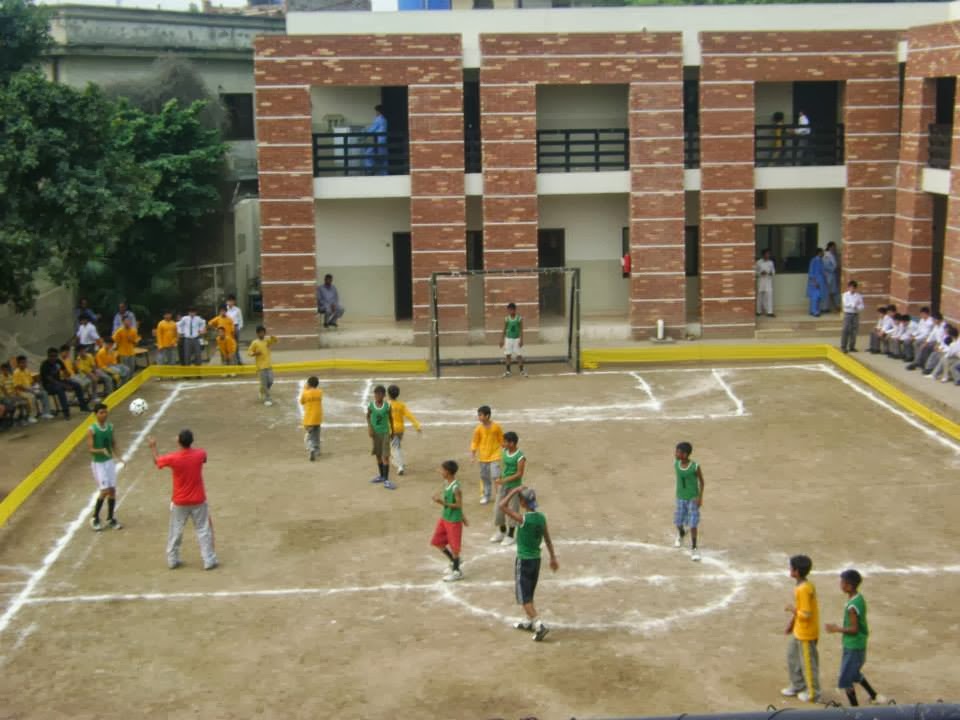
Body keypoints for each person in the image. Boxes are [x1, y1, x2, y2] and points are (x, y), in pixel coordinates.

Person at [148, 430, 218, 571]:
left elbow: (157, 462)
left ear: (179, 441)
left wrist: (153, 447)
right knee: (203, 529)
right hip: (198, 499)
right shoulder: (200, 454)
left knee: (176, 530)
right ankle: (208, 559)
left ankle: (172, 559)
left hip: (180, 501)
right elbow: (203, 459)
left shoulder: (173, 458)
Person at [498, 485, 558, 642]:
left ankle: (539, 625)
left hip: (523, 561)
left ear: (523, 502)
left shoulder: (523, 519)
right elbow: (548, 539)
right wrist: (552, 557)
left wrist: (514, 491)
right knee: (529, 592)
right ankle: (529, 621)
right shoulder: (541, 518)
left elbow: (501, 505)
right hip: (536, 560)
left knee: (524, 598)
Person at [825, 569, 885, 707]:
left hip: (853, 645)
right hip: (857, 644)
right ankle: (874, 696)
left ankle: (855, 708)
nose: (840, 584)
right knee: (854, 673)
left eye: (843, 582)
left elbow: (854, 629)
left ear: (849, 586)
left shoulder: (852, 606)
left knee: (846, 679)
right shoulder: (859, 598)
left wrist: (836, 629)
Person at [782, 554, 821, 703]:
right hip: (799, 630)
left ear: (796, 571)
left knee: (808, 664)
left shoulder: (803, 589)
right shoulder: (803, 586)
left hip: (806, 633)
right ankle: (797, 685)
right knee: (793, 657)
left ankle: (813, 693)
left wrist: (792, 611)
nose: (789, 569)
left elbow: (805, 613)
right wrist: (791, 624)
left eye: (791, 567)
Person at [87, 403, 122, 531]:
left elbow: (113, 443)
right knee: (104, 491)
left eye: (105, 412)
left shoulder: (110, 427)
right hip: (98, 464)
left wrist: (119, 456)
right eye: (101, 412)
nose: (104, 414)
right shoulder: (92, 430)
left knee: (112, 490)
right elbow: (90, 449)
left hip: (109, 462)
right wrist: (101, 450)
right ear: (95, 414)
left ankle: (110, 518)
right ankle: (95, 517)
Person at [431, 459, 467, 582]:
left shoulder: (456, 488)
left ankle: (457, 571)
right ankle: (454, 560)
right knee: (437, 542)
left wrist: (441, 502)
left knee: (455, 547)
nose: (440, 472)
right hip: (445, 518)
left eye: (442, 470)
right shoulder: (447, 482)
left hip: (453, 521)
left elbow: (458, 505)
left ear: (448, 472)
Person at [491, 430, 525, 545]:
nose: (503, 443)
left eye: (505, 442)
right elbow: (504, 467)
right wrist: (500, 479)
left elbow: (519, 474)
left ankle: (510, 535)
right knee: (497, 509)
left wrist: (504, 480)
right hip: (503, 485)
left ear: (512, 443)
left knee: (512, 509)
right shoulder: (504, 451)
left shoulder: (520, 457)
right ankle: (502, 531)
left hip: (514, 487)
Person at [673, 441, 704, 562]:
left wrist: (700, 497)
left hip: (693, 499)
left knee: (692, 524)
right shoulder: (676, 464)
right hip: (680, 498)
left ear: (685, 454)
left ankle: (695, 547)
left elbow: (702, 482)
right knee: (678, 522)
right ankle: (681, 533)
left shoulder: (695, 467)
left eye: (678, 452)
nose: (675, 453)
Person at [40, 347, 89, 419]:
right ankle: (66, 411)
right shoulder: (44, 365)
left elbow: (65, 371)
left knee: (77, 385)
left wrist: (68, 377)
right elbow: (51, 380)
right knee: (60, 390)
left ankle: (83, 406)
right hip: (48, 385)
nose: (53, 358)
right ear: (48, 356)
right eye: (51, 356)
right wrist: (64, 385)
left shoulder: (58, 361)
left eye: (55, 356)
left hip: (59, 381)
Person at [470, 404, 504, 505]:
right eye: (478, 415)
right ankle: (486, 495)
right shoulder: (478, 429)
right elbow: (475, 442)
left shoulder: (496, 427)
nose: (479, 417)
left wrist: (506, 451)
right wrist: (473, 455)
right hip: (483, 457)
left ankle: (500, 496)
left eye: (480, 415)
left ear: (487, 416)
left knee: (496, 476)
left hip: (495, 455)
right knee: (485, 477)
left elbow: (501, 440)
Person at [388, 384, 422, 476]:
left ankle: (400, 466)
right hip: (400, 430)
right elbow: (409, 415)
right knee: (396, 446)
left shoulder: (386, 405)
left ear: (388, 394)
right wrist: (417, 425)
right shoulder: (401, 405)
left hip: (391, 430)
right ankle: (398, 461)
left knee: (395, 447)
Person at [367, 384, 395, 489]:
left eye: (380, 394)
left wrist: (393, 431)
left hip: (385, 433)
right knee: (378, 455)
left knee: (385, 456)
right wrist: (369, 428)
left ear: (384, 395)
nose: (377, 396)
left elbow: (391, 419)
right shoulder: (371, 405)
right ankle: (382, 476)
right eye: (376, 394)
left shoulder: (387, 406)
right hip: (375, 434)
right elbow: (368, 416)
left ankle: (387, 480)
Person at [14, 355, 54, 420]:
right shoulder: (16, 373)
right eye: (22, 363)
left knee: (44, 393)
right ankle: (31, 416)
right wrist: (29, 390)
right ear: (18, 364)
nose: (24, 364)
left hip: (30, 389)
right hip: (21, 392)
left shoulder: (27, 370)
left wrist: (36, 387)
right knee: (31, 397)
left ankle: (46, 413)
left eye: (25, 362)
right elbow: (18, 386)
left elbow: (31, 382)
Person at [248, 326, 277, 406]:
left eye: (263, 332)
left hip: (269, 365)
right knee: (264, 383)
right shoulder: (255, 343)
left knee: (270, 381)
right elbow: (249, 352)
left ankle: (262, 390)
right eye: (260, 332)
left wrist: (273, 337)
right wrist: (254, 354)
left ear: (264, 333)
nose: (262, 334)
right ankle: (267, 398)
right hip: (260, 367)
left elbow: (275, 341)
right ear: (257, 334)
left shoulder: (267, 341)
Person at [300, 375, 323, 462]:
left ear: (309, 384)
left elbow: (302, 402)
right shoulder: (320, 392)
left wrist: (306, 388)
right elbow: (315, 392)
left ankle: (311, 449)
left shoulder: (305, 393)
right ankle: (317, 450)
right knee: (316, 435)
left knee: (309, 437)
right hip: (318, 418)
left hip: (309, 419)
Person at [500, 302, 526, 378]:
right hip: (508, 339)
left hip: (516, 339)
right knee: (508, 355)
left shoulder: (519, 318)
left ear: (515, 310)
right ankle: (508, 371)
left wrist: (521, 340)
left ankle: (522, 371)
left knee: (519, 355)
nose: (511, 311)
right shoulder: (507, 319)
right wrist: (501, 339)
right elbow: (504, 329)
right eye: (509, 310)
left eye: (512, 310)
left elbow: (521, 329)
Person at [840, 280, 864, 353]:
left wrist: (857, 307)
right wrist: (854, 304)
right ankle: (843, 346)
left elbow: (862, 305)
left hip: (855, 314)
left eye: (853, 288)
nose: (852, 289)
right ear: (848, 287)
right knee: (845, 330)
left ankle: (852, 346)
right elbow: (846, 304)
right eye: (850, 287)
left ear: (855, 288)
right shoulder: (845, 295)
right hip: (848, 314)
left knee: (854, 330)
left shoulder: (858, 296)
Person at [364, 104, 388, 176]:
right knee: (383, 159)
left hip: (378, 141)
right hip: (384, 141)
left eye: (376, 111)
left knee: (368, 154)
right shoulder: (385, 119)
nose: (376, 113)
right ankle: (384, 174)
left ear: (378, 111)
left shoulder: (378, 119)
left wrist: (364, 135)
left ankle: (370, 171)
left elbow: (372, 129)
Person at [755, 249, 776, 317]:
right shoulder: (758, 262)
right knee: (760, 297)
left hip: (768, 282)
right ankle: (758, 311)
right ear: (763, 255)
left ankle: (770, 312)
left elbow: (773, 272)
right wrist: (760, 273)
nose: (768, 255)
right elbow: (755, 272)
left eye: (769, 254)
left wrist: (771, 273)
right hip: (761, 281)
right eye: (767, 254)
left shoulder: (771, 262)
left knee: (769, 296)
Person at [806, 249, 826, 317]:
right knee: (815, 297)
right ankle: (814, 311)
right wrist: (814, 282)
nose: (823, 253)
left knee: (819, 297)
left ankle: (815, 310)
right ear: (819, 253)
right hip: (815, 281)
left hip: (821, 281)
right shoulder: (814, 260)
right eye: (822, 252)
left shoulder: (821, 261)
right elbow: (811, 272)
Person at [225, 294, 244, 365]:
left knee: (236, 345)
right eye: (229, 301)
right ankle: (228, 361)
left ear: (234, 302)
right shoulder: (224, 310)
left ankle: (238, 360)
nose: (230, 302)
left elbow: (241, 320)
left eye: (232, 301)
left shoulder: (237, 310)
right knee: (228, 345)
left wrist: (238, 329)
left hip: (235, 328)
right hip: (227, 329)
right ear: (227, 301)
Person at [823, 242, 840, 312]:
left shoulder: (833, 255)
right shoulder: (827, 256)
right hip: (829, 276)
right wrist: (834, 268)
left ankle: (836, 306)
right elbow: (827, 266)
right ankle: (827, 308)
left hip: (833, 276)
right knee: (829, 292)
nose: (835, 248)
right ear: (830, 247)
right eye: (833, 247)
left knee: (834, 292)